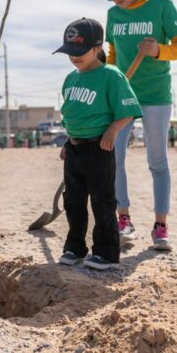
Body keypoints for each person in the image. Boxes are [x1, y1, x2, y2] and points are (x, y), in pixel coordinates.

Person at [98, 0, 177, 251]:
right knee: (114, 157)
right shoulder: (113, 14)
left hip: (156, 95)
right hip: (124, 95)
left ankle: (160, 225)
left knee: (157, 161)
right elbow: (112, 52)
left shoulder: (162, 5)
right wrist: (109, 85)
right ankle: (122, 219)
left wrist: (159, 51)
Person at [54, 18, 142, 270]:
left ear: (97, 47)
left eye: (79, 52)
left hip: (98, 149)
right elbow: (71, 113)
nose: (74, 57)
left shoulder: (110, 76)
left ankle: (106, 251)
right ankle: (75, 246)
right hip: (74, 148)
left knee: (102, 201)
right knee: (73, 201)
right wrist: (68, 141)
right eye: (69, 52)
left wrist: (114, 130)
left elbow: (128, 110)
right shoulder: (71, 79)